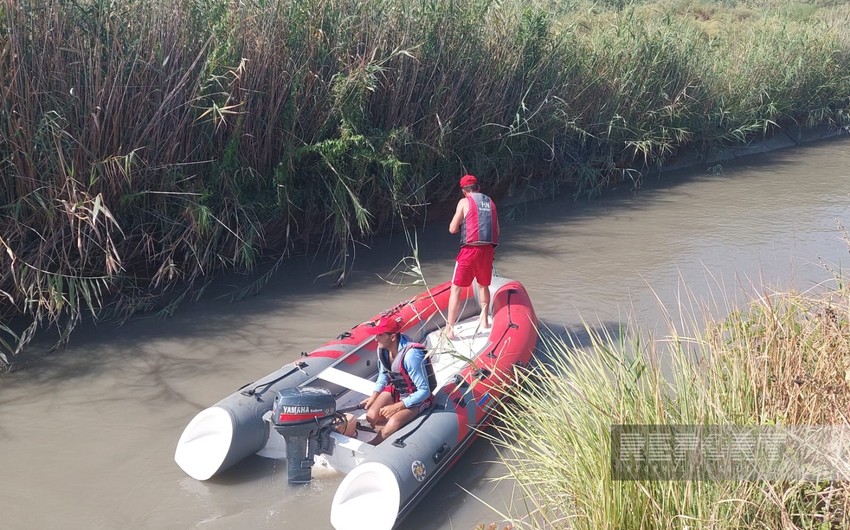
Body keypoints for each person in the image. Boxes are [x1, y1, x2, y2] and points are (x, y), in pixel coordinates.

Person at [360, 315, 435, 445]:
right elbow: (383, 376)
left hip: (417, 397)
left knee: (394, 422)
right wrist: (374, 396)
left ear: (393, 337)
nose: (376, 338)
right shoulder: (383, 349)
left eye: (380, 335)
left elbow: (424, 391)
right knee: (371, 415)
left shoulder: (411, 356)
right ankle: (385, 423)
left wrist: (398, 406)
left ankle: (373, 444)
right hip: (397, 389)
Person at [446, 174, 499, 338]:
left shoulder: (464, 202)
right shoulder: (490, 202)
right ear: (479, 187)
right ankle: (484, 321)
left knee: (456, 289)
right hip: (487, 251)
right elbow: (497, 230)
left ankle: (450, 329)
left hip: (469, 251)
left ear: (464, 191)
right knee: (483, 285)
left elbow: (453, 229)